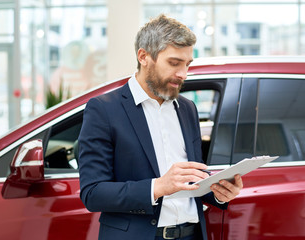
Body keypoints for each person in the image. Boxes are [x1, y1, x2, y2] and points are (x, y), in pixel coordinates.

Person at [78, 14, 243, 240]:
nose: (183, 74)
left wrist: (219, 194)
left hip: (191, 234)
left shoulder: (187, 109)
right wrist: (157, 187)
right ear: (144, 56)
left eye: (187, 65)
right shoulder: (104, 109)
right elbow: (93, 193)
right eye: (174, 63)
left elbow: (191, 180)